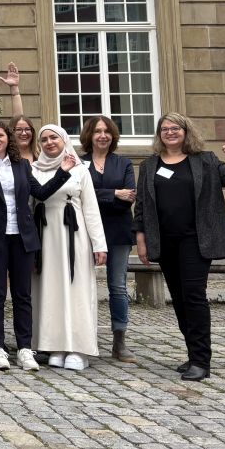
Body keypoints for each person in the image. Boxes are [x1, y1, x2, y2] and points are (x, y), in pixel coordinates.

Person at [134, 114, 225, 381]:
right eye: (165, 129)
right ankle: (192, 353)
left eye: (175, 128)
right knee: (179, 298)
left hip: (196, 241)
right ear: (159, 134)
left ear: (186, 132)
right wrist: (141, 239)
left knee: (193, 296)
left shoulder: (205, 160)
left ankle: (201, 360)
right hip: (164, 241)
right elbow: (141, 205)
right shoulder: (150, 164)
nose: (170, 132)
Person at [0, 121, 69, 372]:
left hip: (22, 237)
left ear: (8, 139)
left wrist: (63, 172)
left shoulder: (22, 165)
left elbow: (40, 193)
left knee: (22, 295)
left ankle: (23, 347)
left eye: (0, 135)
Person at [30, 125, 106, 372]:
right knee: (49, 290)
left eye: (54, 137)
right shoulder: (33, 170)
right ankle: (54, 345)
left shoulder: (80, 170)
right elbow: (34, 201)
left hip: (74, 235)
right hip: (45, 236)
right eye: (44, 139)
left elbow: (91, 209)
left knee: (76, 289)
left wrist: (99, 243)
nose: (49, 142)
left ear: (64, 140)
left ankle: (78, 348)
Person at [79, 115, 138, 363]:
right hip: (84, 231)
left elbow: (130, 196)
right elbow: (79, 195)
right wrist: (114, 193)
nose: (102, 135)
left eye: (107, 131)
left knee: (118, 287)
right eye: (97, 131)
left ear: (113, 136)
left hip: (117, 230)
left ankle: (119, 341)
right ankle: (81, 338)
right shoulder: (79, 163)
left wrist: (99, 195)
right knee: (80, 286)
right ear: (89, 136)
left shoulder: (122, 163)